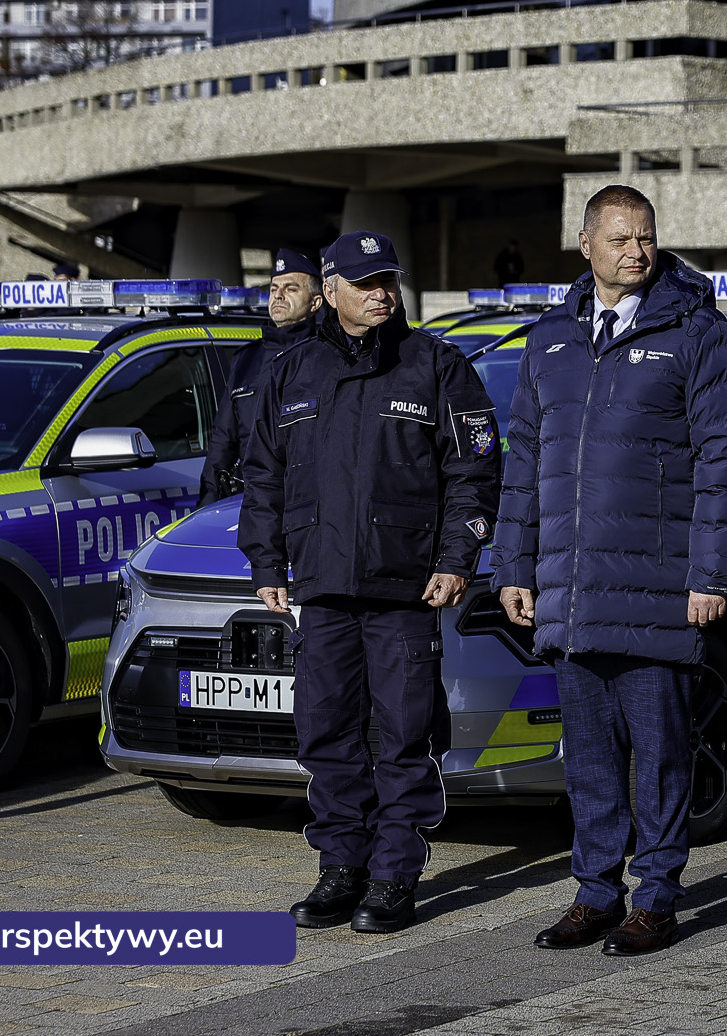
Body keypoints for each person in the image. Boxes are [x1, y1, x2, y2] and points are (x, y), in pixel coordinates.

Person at [492, 183, 727, 958]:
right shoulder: (550, 341)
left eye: (646, 237)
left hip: (658, 589)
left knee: (662, 753)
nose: (636, 251)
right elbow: (525, 465)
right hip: (571, 593)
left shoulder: (695, 330)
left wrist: (712, 574)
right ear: (585, 244)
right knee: (594, 758)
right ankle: (596, 891)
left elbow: (723, 456)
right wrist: (515, 563)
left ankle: (659, 897)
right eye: (619, 239)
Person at [239, 231, 501, 935]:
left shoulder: (437, 365)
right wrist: (266, 562)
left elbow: (475, 473)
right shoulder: (293, 370)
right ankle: (340, 866)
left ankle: (392, 875)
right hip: (321, 587)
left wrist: (455, 558)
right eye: (366, 282)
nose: (383, 291)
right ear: (331, 292)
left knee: (401, 736)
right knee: (326, 733)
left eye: (388, 278)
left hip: (402, 589)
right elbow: (261, 474)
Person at [199, 249, 324, 501]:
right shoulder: (247, 359)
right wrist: (206, 505)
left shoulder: (327, 355)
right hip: (254, 502)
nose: (278, 295)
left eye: (291, 289)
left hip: (311, 502)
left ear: (315, 303)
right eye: (274, 288)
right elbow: (223, 441)